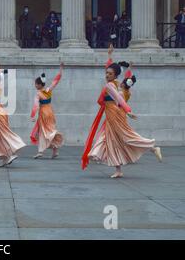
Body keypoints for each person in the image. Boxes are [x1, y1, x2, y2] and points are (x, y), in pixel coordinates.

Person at [82, 45, 163, 178]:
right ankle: (117, 169)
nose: (107, 75)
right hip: (112, 114)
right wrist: (109, 56)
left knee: (126, 136)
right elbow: (113, 70)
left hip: (115, 115)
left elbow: (118, 98)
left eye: (110, 74)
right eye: (106, 73)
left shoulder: (111, 86)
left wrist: (128, 110)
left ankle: (152, 147)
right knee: (112, 140)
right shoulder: (116, 84)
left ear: (115, 76)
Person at [30, 63, 64, 159]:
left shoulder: (38, 94)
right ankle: (55, 150)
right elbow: (55, 81)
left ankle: (40, 151)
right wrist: (61, 70)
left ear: (39, 84)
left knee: (43, 132)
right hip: (50, 112)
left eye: (36, 84)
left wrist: (33, 116)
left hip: (44, 113)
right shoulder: (48, 90)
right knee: (49, 130)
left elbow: (36, 106)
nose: (35, 85)